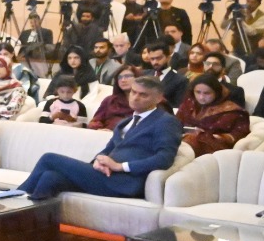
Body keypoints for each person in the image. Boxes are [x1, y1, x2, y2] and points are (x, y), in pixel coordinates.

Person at [17, 76, 182, 201]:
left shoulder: (165, 121)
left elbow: (164, 159)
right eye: (133, 92)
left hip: (125, 183)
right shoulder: (125, 122)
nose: (135, 97)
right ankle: (29, 225)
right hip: (104, 176)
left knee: (49, 159)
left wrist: (121, 167)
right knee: (50, 177)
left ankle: (14, 197)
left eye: (143, 95)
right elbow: (108, 149)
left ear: (158, 98)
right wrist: (98, 160)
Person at [176, 74, 251, 157]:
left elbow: (237, 137)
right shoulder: (188, 104)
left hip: (215, 151)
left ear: (216, 92)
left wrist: (204, 136)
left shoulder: (233, 112)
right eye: (198, 92)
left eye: (207, 93)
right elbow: (175, 124)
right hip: (182, 142)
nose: (201, 97)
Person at [88, 65, 141, 131]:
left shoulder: (145, 102)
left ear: (137, 78)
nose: (123, 80)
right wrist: (101, 129)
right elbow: (95, 121)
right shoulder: (109, 100)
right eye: (119, 77)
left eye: (127, 76)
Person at [144, 41, 187, 106]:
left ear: (168, 58)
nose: (155, 62)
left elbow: (178, 106)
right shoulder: (144, 75)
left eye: (159, 58)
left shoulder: (180, 80)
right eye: (152, 59)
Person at [17, 12, 57, 78]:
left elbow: (48, 45)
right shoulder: (24, 33)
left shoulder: (46, 32)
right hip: (24, 58)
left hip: (38, 57)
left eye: (35, 21)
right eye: (31, 22)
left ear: (39, 21)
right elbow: (19, 44)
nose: (33, 24)